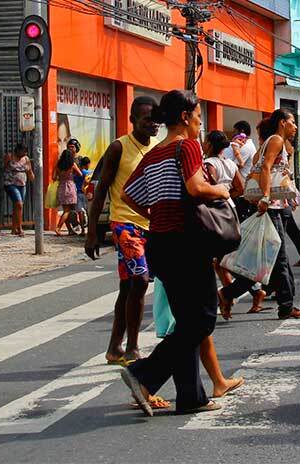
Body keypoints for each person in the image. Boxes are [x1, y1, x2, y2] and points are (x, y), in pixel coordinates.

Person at [117, 89, 230, 415]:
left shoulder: (153, 153)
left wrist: (156, 212)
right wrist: (220, 189)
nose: (199, 124)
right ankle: (144, 375)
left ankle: (191, 396)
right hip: (185, 242)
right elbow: (196, 188)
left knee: (186, 321)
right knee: (204, 317)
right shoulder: (186, 146)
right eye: (197, 118)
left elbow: (129, 195)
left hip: (160, 244)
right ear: (184, 117)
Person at [218, 109, 300, 321]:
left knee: (266, 261)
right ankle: (286, 306)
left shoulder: (273, 141)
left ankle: (228, 294)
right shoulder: (276, 140)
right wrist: (267, 196)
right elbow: (267, 168)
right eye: (292, 122)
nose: (295, 127)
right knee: (277, 260)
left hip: (271, 206)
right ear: (282, 122)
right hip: (270, 207)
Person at [85, 96, 157, 367]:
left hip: (150, 224)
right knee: (140, 281)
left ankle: (114, 347)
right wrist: (92, 231)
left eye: (155, 119)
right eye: (146, 119)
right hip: (124, 224)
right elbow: (101, 189)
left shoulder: (157, 148)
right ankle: (133, 348)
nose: (152, 124)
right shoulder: (119, 148)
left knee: (128, 286)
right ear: (133, 120)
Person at [203, 130, 267, 316]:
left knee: (222, 260)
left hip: (215, 213)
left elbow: (211, 187)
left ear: (209, 144)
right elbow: (240, 187)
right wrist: (228, 197)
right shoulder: (230, 164)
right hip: (230, 211)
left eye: (205, 141)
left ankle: (240, 293)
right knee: (224, 259)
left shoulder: (208, 164)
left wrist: (218, 197)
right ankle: (236, 295)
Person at [227, 122, 258, 219]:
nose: (233, 133)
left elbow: (236, 166)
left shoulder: (246, 148)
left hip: (241, 191)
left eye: (235, 131)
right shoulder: (245, 146)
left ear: (242, 132)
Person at [3, 143, 33, 236]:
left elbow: (29, 171)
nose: (24, 153)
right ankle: (19, 228)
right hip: (10, 183)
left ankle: (13, 228)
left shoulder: (26, 159)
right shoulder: (10, 156)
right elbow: (3, 168)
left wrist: (33, 180)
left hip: (22, 184)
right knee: (19, 204)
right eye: (23, 151)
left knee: (18, 206)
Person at [53, 149, 82, 236]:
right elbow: (80, 174)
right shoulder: (72, 165)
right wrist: (72, 175)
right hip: (70, 187)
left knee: (66, 210)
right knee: (67, 211)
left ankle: (70, 230)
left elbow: (54, 177)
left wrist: (61, 177)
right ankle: (58, 228)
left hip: (61, 187)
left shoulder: (58, 165)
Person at [72, 156, 91, 235]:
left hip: (78, 193)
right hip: (86, 194)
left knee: (80, 212)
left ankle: (83, 230)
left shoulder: (77, 173)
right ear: (87, 164)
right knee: (88, 211)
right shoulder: (87, 173)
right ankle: (90, 229)